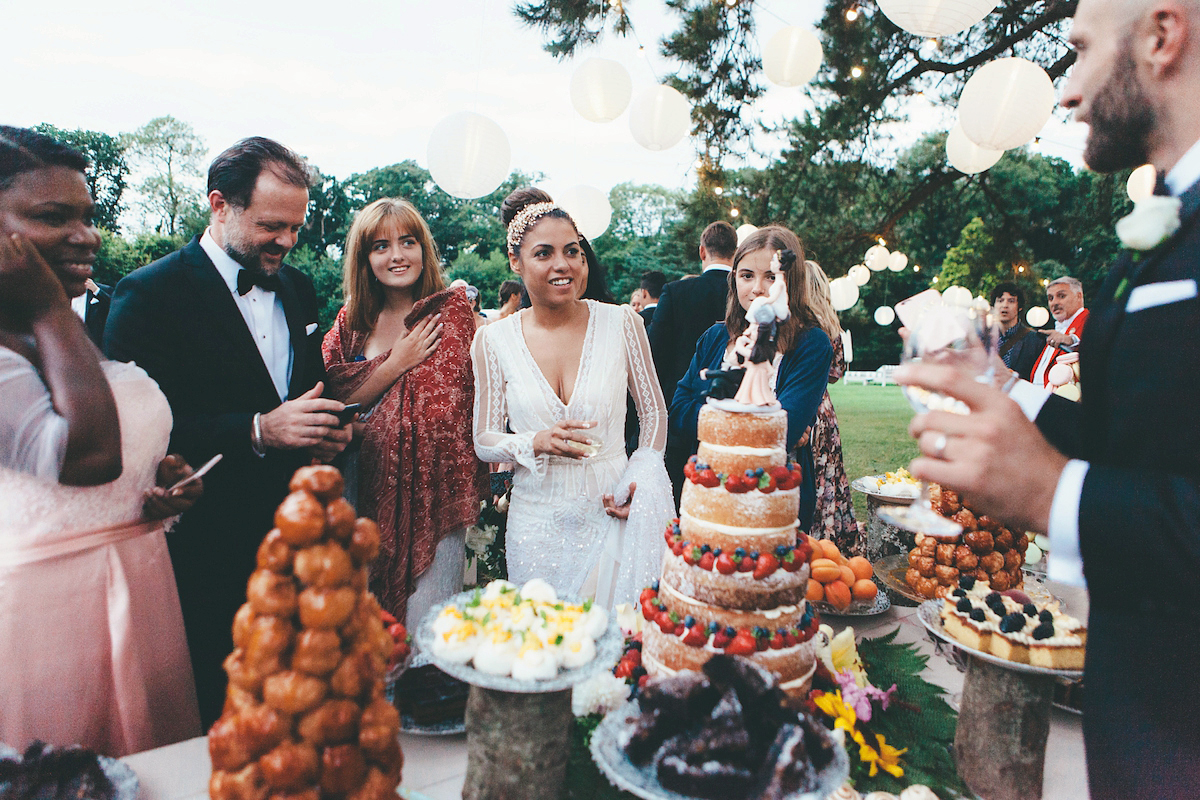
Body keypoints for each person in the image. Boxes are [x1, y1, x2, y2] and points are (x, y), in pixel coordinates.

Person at [897, 0, 1200, 792]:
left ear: (1162, 37)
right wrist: (1002, 387)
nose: (1064, 92)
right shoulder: (1170, 223)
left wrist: (1051, 494)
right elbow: (1136, 437)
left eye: (1080, 50)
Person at [104, 137, 353, 727]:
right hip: (204, 545)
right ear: (220, 204)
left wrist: (324, 430)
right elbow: (137, 432)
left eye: (296, 227)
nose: (288, 242)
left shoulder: (296, 288)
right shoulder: (149, 293)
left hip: (294, 538)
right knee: (223, 710)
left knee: (298, 705)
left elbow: (304, 392)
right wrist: (258, 430)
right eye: (272, 225)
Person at [0, 126, 201, 755]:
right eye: (52, 217)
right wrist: (48, 307)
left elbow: (112, 459)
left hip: (142, 588)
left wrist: (156, 484)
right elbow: (86, 458)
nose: (85, 236)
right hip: (43, 616)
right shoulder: (47, 318)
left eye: (88, 217)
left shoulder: (57, 328)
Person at [471, 196, 674, 609]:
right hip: (535, 524)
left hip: (611, 508)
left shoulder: (622, 323)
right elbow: (484, 438)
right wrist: (533, 442)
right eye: (543, 253)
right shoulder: (492, 340)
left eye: (572, 252)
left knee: (616, 645)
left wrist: (642, 481)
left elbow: (653, 412)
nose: (561, 265)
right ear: (516, 262)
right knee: (548, 648)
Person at [322, 198, 486, 632]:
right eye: (381, 246)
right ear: (364, 258)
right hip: (359, 492)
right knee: (363, 629)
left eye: (407, 242)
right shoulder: (351, 321)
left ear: (423, 249)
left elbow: (452, 410)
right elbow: (330, 400)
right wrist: (396, 363)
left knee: (428, 630)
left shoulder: (448, 313)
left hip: (432, 495)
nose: (396, 255)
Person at [670, 226, 832, 532]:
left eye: (770, 277)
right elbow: (678, 411)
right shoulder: (715, 337)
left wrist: (710, 418)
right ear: (733, 279)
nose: (757, 288)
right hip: (711, 492)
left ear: (789, 281)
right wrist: (760, 423)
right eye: (746, 275)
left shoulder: (810, 344)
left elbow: (785, 430)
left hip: (772, 497)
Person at [649, 221, 738, 505]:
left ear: (702, 252)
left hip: (681, 420)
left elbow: (654, 354)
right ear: (735, 254)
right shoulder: (746, 291)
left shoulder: (676, 292)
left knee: (681, 506)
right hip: (734, 418)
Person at [804, 260, 863, 554]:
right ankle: (828, 539)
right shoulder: (832, 325)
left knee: (808, 474)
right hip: (825, 409)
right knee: (829, 477)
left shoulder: (798, 324)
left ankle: (811, 540)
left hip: (806, 404)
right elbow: (836, 375)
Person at [1029, 277, 1088, 385]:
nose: (1054, 303)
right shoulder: (1057, 330)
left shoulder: (1091, 321)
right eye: (1050, 298)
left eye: (1061, 296)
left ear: (1079, 296)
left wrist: (1071, 340)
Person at [991, 281, 1045, 381]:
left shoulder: (1035, 340)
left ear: (1019, 307)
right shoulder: (984, 338)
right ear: (993, 306)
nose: (1005, 305)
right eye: (1000, 300)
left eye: (1011, 301)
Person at [71, 277, 110, 346]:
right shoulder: (63, 292)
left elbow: (112, 307)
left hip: (93, 344)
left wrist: (96, 291)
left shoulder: (102, 289)